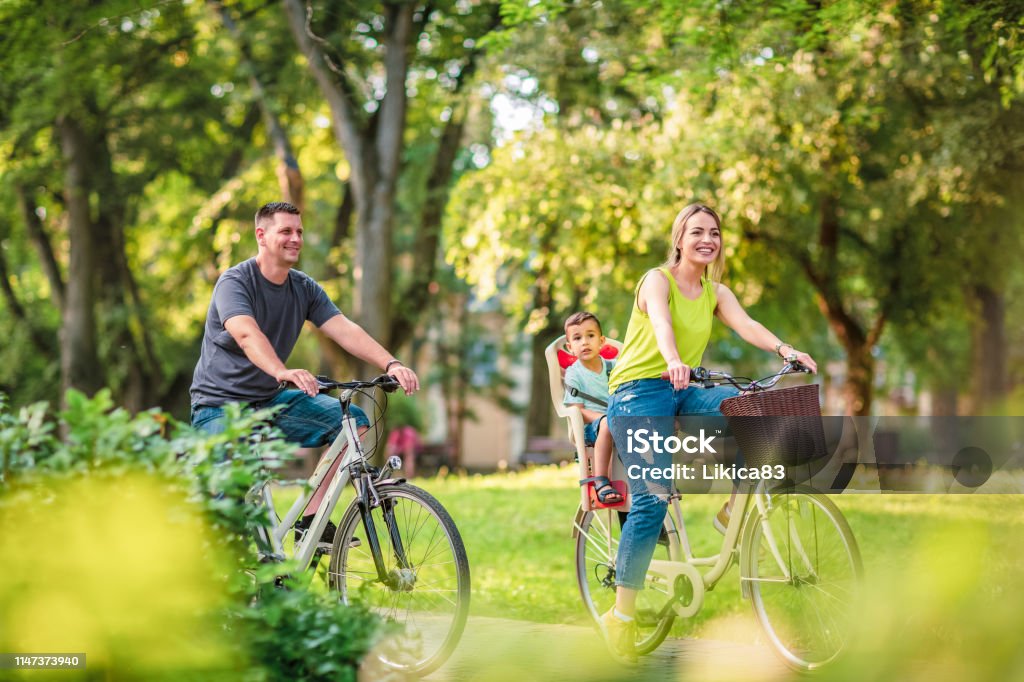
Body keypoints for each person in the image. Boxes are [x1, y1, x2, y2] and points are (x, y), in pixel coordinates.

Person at [600, 203, 817, 659]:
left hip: (684, 389)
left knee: (758, 414)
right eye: (696, 231)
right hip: (639, 393)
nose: (707, 239)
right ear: (679, 238)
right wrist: (674, 359)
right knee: (652, 498)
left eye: (714, 233)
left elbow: (747, 325)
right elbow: (660, 321)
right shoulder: (657, 280)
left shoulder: (716, 291)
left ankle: (732, 508)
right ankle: (621, 614)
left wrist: (785, 349)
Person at [189, 201, 419, 542]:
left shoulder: (304, 288)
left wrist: (391, 363)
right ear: (261, 236)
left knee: (352, 422)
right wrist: (282, 371)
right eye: (285, 231)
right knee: (226, 514)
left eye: (299, 232)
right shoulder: (235, 282)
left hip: (270, 400)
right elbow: (246, 334)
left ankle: (309, 522)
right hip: (219, 406)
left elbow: (344, 328)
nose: (295, 238)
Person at [562, 312, 623, 505]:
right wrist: (606, 417)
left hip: (618, 420)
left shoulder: (614, 367)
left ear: (602, 341)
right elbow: (577, 409)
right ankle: (601, 481)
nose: (585, 342)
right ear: (570, 347)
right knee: (608, 423)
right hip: (592, 427)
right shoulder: (574, 374)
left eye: (590, 336)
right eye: (577, 338)